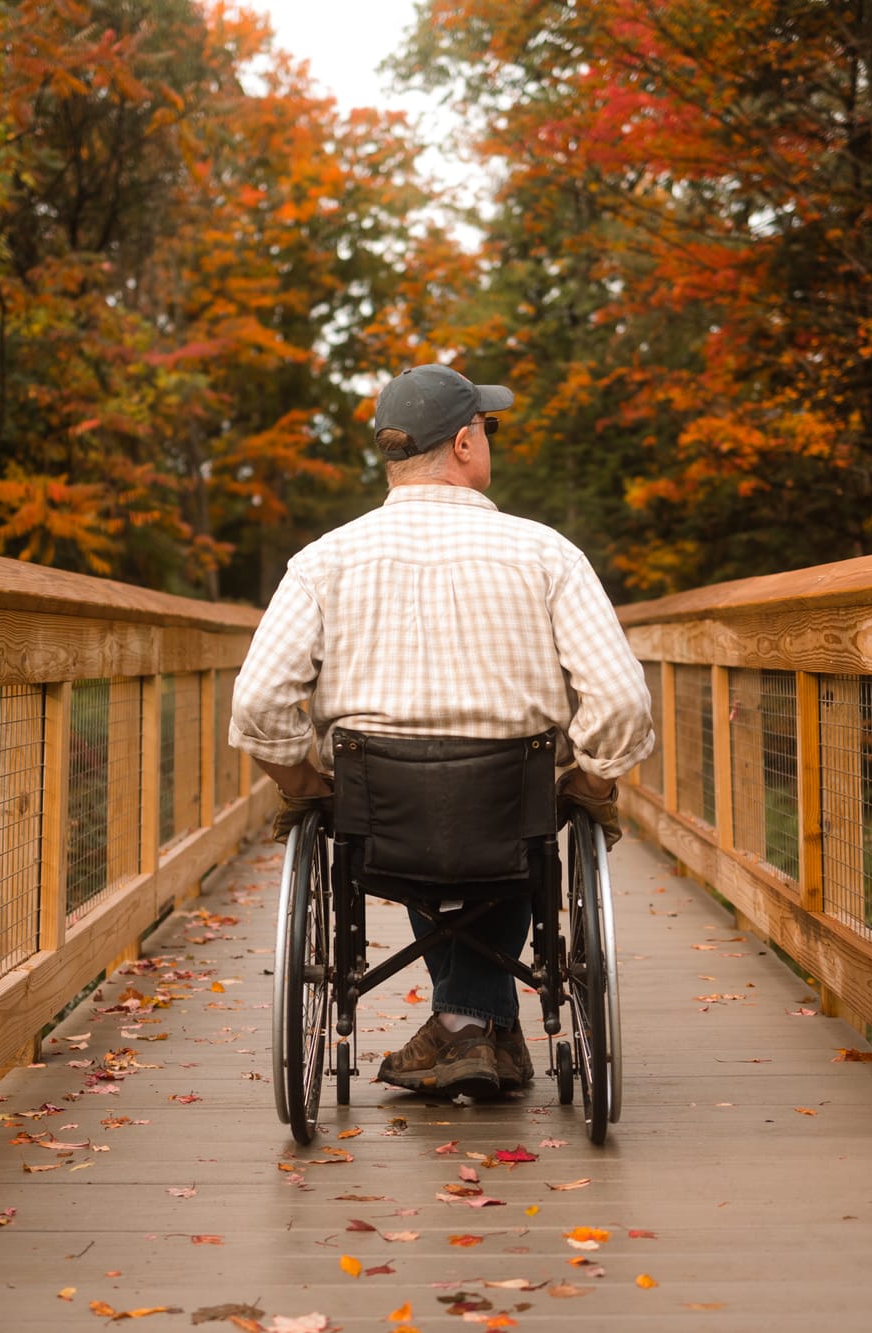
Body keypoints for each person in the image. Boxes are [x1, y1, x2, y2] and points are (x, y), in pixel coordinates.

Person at [227, 363, 654, 1099]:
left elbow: (261, 699)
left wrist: (306, 783)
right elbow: (619, 699)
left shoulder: (323, 561)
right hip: (510, 814)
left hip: (379, 815)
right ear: (463, 443)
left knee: (422, 821)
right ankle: (474, 1026)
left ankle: (466, 1026)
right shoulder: (548, 554)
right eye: (487, 428)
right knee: (518, 822)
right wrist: (589, 780)